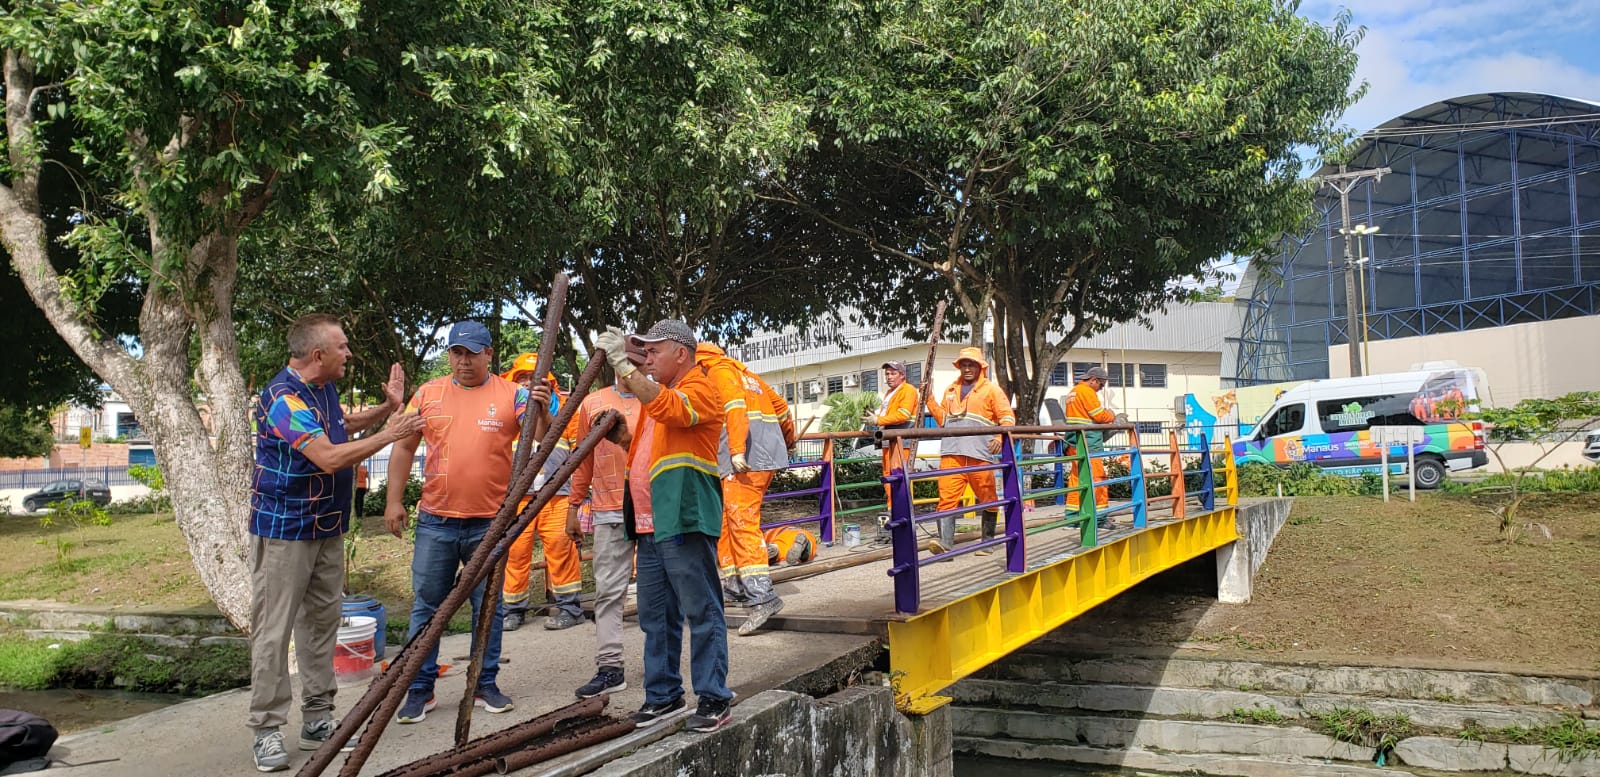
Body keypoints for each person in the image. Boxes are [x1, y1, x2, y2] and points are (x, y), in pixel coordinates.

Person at [246, 313, 423, 772]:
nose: (349, 353)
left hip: (327, 528)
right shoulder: (281, 398)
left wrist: (386, 410)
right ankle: (266, 729)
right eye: (342, 347)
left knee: (322, 624)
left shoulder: (321, 390)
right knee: (273, 630)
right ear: (317, 354)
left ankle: (318, 720)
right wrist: (391, 433)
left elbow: (341, 423)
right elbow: (326, 455)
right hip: (285, 532)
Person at [592, 320, 735, 734]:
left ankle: (713, 697)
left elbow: (674, 411)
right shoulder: (663, 400)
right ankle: (664, 695)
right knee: (656, 616)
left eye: (655, 351)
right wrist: (623, 438)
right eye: (645, 352)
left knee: (702, 610)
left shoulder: (700, 389)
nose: (649, 358)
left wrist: (624, 361)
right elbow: (658, 445)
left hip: (684, 517)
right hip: (652, 522)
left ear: (682, 353)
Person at [384, 321, 529, 724]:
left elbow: (545, 431)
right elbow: (404, 446)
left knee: (489, 607)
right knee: (428, 607)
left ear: (489, 354)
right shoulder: (429, 394)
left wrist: (544, 403)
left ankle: (485, 683)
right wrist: (394, 500)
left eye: (471, 353)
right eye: (456, 353)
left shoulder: (512, 395)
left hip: (491, 522)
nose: (463, 361)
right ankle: (419, 689)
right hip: (436, 521)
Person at [563, 339, 647, 699]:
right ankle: (610, 667)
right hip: (610, 510)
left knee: (663, 591)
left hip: (653, 510)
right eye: (620, 361)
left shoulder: (657, 399)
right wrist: (572, 505)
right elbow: (583, 459)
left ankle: (662, 666)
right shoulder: (592, 404)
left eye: (634, 362)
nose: (626, 369)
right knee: (608, 592)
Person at [698, 343, 796, 636]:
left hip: (744, 460)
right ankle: (735, 585)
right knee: (728, 522)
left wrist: (738, 450)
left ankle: (762, 597)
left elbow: (735, 408)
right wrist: (788, 441)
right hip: (762, 458)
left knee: (741, 523)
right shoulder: (749, 376)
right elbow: (780, 407)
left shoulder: (718, 372)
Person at [499, 354, 583, 632]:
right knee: (515, 553)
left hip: (556, 495)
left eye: (535, 378)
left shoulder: (567, 411)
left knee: (561, 549)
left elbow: (577, 450)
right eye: (522, 377)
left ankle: (570, 608)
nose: (529, 383)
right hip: (517, 498)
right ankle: (512, 610)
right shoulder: (505, 411)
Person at [923, 347, 1015, 556]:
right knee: (946, 498)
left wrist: (1000, 437)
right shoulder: (950, 390)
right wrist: (929, 399)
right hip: (952, 453)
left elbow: (1007, 416)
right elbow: (944, 421)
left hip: (979, 454)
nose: (966, 368)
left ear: (980, 367)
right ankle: (945, 545)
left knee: (988, 498)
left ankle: (987, 542)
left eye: (971, 364)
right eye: (963, 364)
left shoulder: (991, 390)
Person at [865, 360, 921, 508]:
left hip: (901, 441)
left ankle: (900, 511)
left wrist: (878, 419)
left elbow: (903, 415)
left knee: (898, 477)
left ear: (902, 375)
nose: (889, 377)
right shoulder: (890, 393)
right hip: (889, 440)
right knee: (888, 476)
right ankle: (892, 509)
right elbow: (889, 414)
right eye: (887, 374)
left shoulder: (908, 390)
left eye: (893, 373)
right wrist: (876, 416)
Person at [1063, 366, 1117, 512]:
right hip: (1088, 442)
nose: (1100, 388)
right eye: (1101, 385)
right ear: (1093, 380)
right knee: (1098, 477)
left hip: (1073, 442)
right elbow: (1099, 415)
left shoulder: (1073, 392)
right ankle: (1100, 517)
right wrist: (1112, 415)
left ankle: (1073, 516)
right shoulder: (1087, 392)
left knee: (1076, 479)